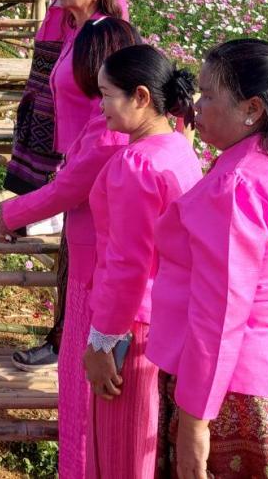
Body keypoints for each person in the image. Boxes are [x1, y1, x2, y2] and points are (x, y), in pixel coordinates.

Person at [148, 39, 268, 479]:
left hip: (230, 395)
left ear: (252, 109)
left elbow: (219, 315)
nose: (196, 105)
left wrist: (194, 421)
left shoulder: (239, 184)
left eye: (209, 95)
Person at [0, 16, 140, 479]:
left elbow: (68, 187)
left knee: (79, 394)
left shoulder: (111, 130)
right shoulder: (112, 118)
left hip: (93, 272)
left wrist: (11, 214)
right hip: (89, 262)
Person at [7, 0, 129, 372]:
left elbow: (116, 6)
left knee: (87, 251)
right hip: (61, 46)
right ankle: (46, 203)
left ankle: (75, 339)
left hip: (79, 56)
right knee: (49, 131)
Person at [82, 44, 202, 478]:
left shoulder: (135, 164)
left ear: (141, 97)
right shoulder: (178, 148)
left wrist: (101, 344)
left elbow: (127, 265)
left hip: (131, 329)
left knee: (122, 454)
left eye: (106, 95)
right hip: (169, 321)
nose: (100, 107)